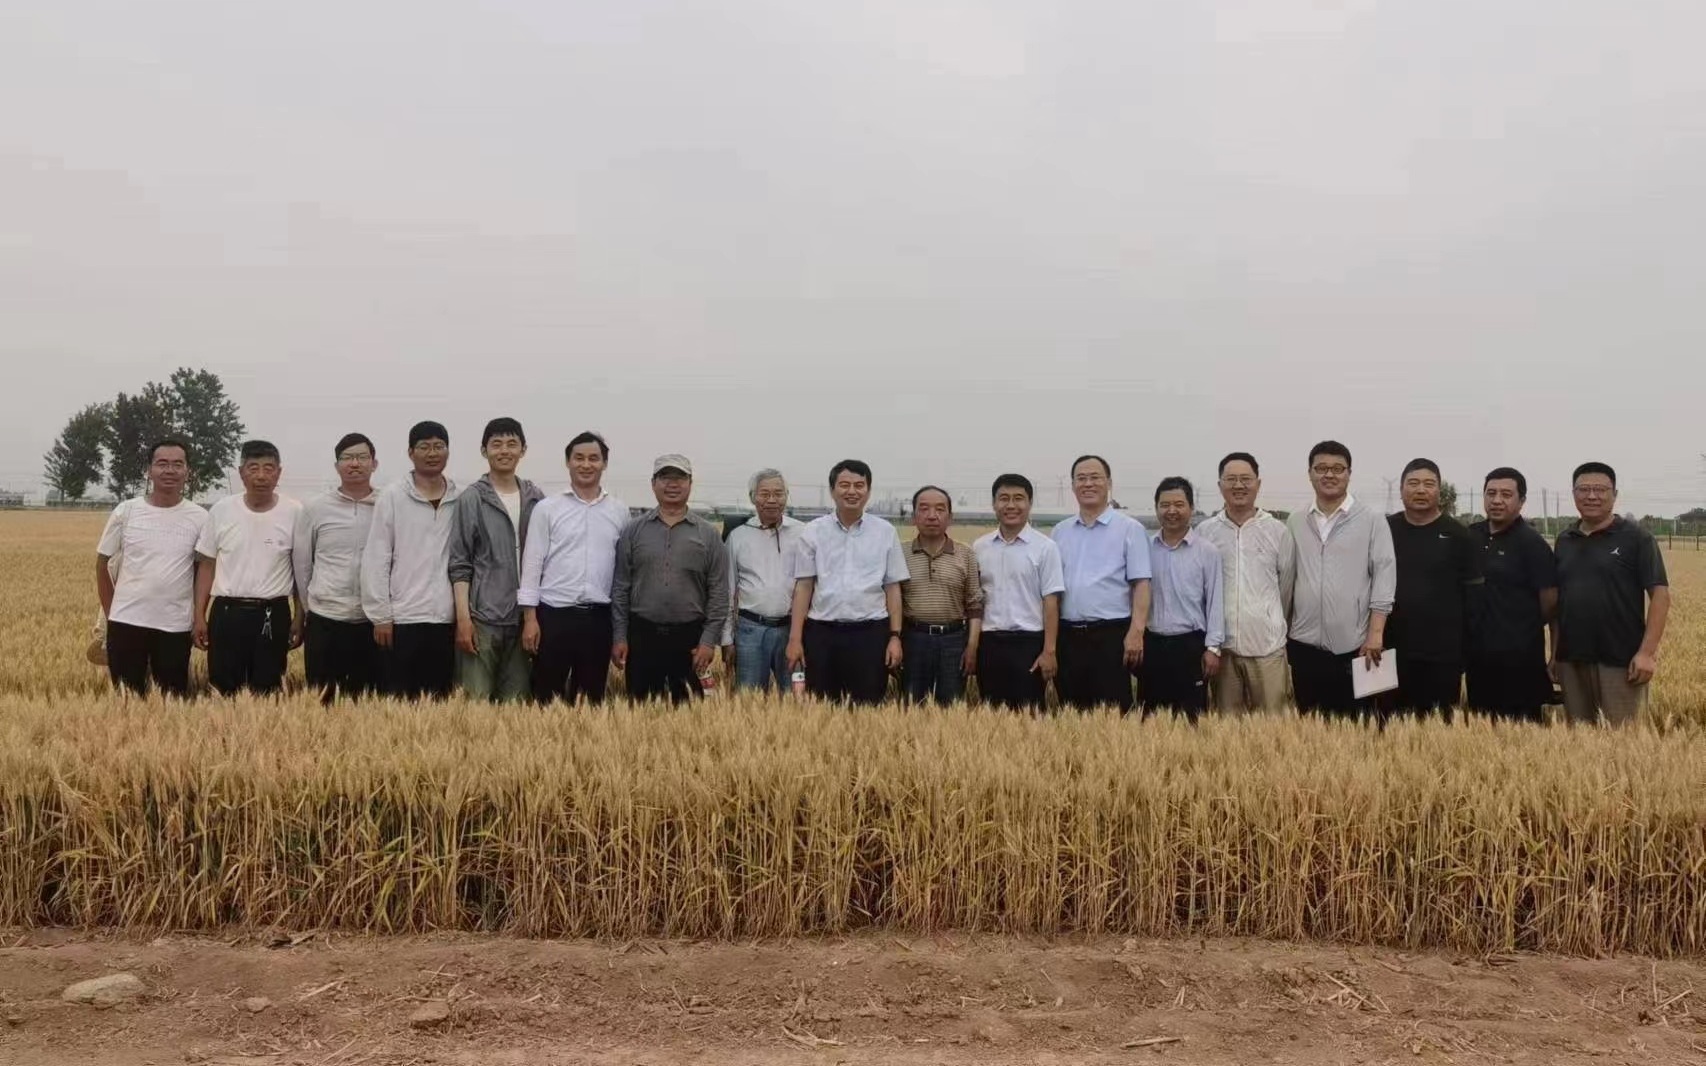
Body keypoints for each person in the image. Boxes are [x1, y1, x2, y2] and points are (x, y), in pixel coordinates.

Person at [1551, 462, 1670, 726]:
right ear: (1573, 494)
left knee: (1623, 742)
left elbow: (1660, 595)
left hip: (1621, 661)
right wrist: (1555, 654)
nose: (1592, 496)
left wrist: (1646, 653)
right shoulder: (1564, 540)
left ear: (1614, 494)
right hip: (1572, 660)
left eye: (1600, 489)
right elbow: (1558, 602)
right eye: (1584, 489)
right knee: (1578, 741)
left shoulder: (1637, 538)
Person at [1285, 441, 1395, 717]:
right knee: (1308, 727)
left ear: (1349, 473)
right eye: (1321, 468)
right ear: (1310, 473)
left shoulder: (1372, 520)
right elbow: (1287, 579)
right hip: (1303, 645)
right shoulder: (1296, 521)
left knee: (1357, 726)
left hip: (1355, 647)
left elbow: (1384, 577)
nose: (1329, 475)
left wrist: (1375, 634)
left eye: (1337, 468)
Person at [785, 459, 909, 705]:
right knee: (820, 706)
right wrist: (795, 639)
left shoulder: (885, 532)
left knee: (868, 706)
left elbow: (892, 587)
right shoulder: (813, 531)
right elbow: (804, 587)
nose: (852, 491)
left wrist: (895, 636)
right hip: (822, 633)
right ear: (832, 490)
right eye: (844, 485)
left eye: (859, 485)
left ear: (868, 491)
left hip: (870, 634)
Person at [611, 455, 730, 704]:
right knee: (640, 710)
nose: (672, 484)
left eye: (680, 477)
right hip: (642, 635)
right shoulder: (633, 531)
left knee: (689, 713)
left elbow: (719, 592)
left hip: (690, 637)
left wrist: (708, 641)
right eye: (665, 477)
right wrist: (620, 636)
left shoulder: (708, 535)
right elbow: (621, 588)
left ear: (690, 483)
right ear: (653, 483)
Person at [519, 431, 628, 705]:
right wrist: (530, 619)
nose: (586, 464)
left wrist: (620, 631)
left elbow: (623, 573)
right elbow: (532, 564)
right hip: (554, 615)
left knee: (590, 701)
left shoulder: (619, 512)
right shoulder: (547, 509)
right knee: (546, 699)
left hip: (598, 618)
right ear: (568, 462)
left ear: (604, 463)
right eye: (579, 458)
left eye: (594, 458)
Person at [95, 438, 209, 697]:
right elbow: (102, 564)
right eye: (162, 464)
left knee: (172, 701)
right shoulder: (126, 511)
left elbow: (203, 570)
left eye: (177, 464)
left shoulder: (200, 518)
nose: (170, 470)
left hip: (175, 626)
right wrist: (112, 614)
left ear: (187, 472)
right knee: (126, 700)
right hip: (126, 622)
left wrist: (198, 615)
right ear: (149, 470)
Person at [192, 440, 304, 696]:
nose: (261, 476)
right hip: (226, 614)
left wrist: (299, 616)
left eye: (268, 468)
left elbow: (300, 570)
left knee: (268, 691)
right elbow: (207, 565)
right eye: (253, 468)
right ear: (241, 473)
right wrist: (199, 614)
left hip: (273, 614)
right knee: (222, 690)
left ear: (279, 473)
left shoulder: (295, 512)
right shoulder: (222, 510)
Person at [361, 420, 462, 700]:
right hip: (403, 619)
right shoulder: (393, 497)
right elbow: (377, 557)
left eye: (439, 447)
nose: (432, 453)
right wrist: (381, 616)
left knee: (440, 702)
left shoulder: (460, 499)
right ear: (410, 453)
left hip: (445, 619)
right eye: (424, 447)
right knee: (398, 701)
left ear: (448, 451)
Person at [449, 418, 544, 703]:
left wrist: (534, 617)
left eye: (512, 444)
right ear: (484, 450)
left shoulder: (536, 499)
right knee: (475, 703)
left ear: (523, 450)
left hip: (524, 619)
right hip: (483, 619)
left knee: (516, 705)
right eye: (497, 444)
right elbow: (460, 564)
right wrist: (464, 620)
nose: (505, 451)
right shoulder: (472, 499)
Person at [1051, 455, 1151, 712]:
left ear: (1109, 483)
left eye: (1095, 477)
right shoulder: (1060, 531)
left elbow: (1141, 583)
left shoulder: (1129, 528)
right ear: (1072, 486)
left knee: (1114, 713)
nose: (1088, 484)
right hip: (1068, 636)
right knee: (1071, 713)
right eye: (1081, 478)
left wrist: (1136, 632)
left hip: (1111, 636)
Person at [1196, 452, 1294, 715]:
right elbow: (1202, 590)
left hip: (1268, 648)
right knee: (1227, 727)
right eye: (1231, 479)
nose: (1238, 486)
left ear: (1258, 484)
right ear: (1220, 485)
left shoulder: (1277, 531)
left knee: (1274, 725)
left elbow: (1286, 588)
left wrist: (1271, 620)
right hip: (1222, 650)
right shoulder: (1206, 532)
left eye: (1245, 479)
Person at [1383, 459, 1480, 717]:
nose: (1421, 490)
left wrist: (1465, 652)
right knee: (1388, 727)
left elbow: (1473, 599)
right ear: (1401, 489)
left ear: (1439, 490)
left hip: (1442, 655)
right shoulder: (1384, 530)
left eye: (1429, 484)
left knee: (1439, 725)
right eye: (1413, 483)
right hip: (1390, 651)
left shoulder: (1459, 535)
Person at [1465, 467, 1558, 723]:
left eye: (1506, 495)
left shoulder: (1532, 544)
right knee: (1480, 728)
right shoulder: (1471, 536)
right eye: (1491, 493)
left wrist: (1518, 627)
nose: (1497, 500)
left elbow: (1550, 603)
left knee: (1521, 729)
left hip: (1520, 661)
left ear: (1521, 501)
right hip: (1477, 659)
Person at [293, 432, 381, 702]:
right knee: (322, 700)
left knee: (368, 702)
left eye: (362, 457)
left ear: (374, 464)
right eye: (347, 458)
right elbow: (302, 564)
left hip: (371, 621)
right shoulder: (315, 508)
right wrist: (311, 607)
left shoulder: (386, 505)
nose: (355, 463)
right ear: (337, 465)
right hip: (325, 619)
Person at [972, 474, 1063, 711]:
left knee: (1030, 716)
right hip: (990, 643)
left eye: (1018, 498)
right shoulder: (980, 547)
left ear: (1030, 503)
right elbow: (975, 600)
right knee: (991, 716)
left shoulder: (1045, 548)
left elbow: (1051, 601)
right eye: (1004, 498)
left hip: (1029, 644)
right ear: (994, 504)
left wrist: (1049, 651)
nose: (1011, 505)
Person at [1141, 477, 1223, 721]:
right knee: (1151, 721)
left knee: (1193, 720)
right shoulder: (1144, 549)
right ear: (1156, 508)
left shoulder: (1207, 551)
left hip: (1190, 646)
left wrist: (1213, 647)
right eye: (1165, 505)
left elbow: (1215, 601)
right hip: (1152, 645)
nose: (1171, 511)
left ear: (1192, 508)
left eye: (1179, 504)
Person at [722, 468, 805, 692]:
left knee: (795, 698)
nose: (772, 500)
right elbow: (728, 590)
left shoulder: (803, 533)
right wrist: (727, 639)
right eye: (764, 494)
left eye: (778, 494)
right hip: (750, 631)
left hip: (792, 630)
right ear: (752, 497)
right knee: (749, 698)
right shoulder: (738, 536)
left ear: (787, 496)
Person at [899, 486, 983, 704]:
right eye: (924, 509)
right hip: (913, 639)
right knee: (911, 704)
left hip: (953, 640)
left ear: (950, 517)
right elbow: (892, 602)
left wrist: (972, 647)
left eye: (939, 509)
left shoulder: (966, 554)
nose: (932, 515)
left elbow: (975, 604)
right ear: (914, 516)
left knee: (951, 704)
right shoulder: (900, 553)